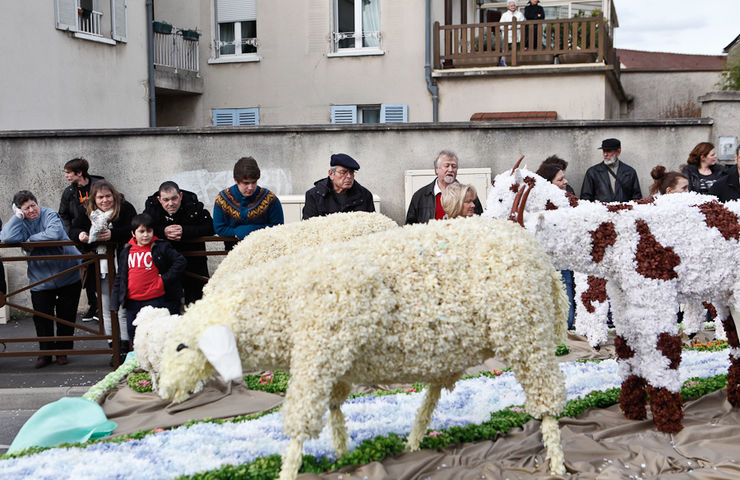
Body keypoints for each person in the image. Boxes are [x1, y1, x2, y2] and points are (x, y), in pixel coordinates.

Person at [1, 191, 82, 368]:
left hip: (68, 273)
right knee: (42, 316)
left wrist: (29, 240)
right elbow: (6, 237)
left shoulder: (49, 214)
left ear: (38, 203)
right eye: (26, 208)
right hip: (41, 278)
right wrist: (17, 217)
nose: (31, 210)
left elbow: (54, 234)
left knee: (66, 315)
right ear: (19, 210)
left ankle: (62, 351)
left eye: (33, 205)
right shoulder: (20, 221)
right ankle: (45, 353)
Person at [70, 180, 136, 360]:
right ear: (94, 198)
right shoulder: (87, 211)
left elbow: (134, 227)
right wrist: (81, 235)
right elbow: (74, 228)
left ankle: (125, 347)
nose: (105, 200)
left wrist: (113, 235)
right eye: (100, 197)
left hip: (123, 263)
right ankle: (113, 349)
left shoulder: (125, 208)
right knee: (106, 307)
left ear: (114, 196)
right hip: (99, 267)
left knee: (123, 306)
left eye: (108, 196)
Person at [112, 214, 186, 343]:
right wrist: (114, 302)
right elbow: (120, 277)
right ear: (133, 233)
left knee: (157, 335)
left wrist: (163, 280)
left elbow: (180, 261)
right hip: (133, 301)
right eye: (141, 231)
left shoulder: (161, 246)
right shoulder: (127, 251)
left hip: (156, 299)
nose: (146, 235)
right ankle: (139, 361)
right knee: (134, 335)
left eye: (149, 231)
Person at [143, 181, 214, 306]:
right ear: (159, 199)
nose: (170, 203)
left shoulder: (193, 206)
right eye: (166, 200)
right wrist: (162, 231)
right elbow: (142, 229)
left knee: (196, 305)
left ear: (180, 196)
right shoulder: (152, 209)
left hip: (194, 262)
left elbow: (210, 228)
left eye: (174, 198)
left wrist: (185, 231)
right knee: (170, 305)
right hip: (166, 265)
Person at [58, 158, 104, 323]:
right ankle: (94, 306)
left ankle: (104, 307)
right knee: (87, 274)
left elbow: (110, 204)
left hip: (101, 236)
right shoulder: (69, 192)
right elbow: (63, 214)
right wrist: (70, 233)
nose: (66, 176)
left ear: (79, 173)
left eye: (69, 173)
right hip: (80, 237)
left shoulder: (99, 184)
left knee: (104, 272)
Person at [536, 159, 575, 329]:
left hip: (563, 261)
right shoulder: (537, 205)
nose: (565, 182)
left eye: (564, 178)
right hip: (544, 263)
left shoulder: (569, 199)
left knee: (567, 315)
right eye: (560, 179)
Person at [213, 156, 284, 244]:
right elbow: (219, 228)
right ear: (236, 180)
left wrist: (249, 230)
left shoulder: (269, 198)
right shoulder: (223, 198)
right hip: (233, 251)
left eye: (254, 182)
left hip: (264, 249)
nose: (250, 187)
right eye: (246, 183)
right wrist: (236, 232)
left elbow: (278, 226)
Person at [405, 150, 483, 224]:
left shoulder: (468, 195)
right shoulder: (420, 196)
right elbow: (410, 225)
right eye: (446, 166)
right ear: (436, 169)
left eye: (454, 166)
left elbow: (479, 221)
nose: (450, 169)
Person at [302, 154, 375, 219]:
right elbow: (308, 226)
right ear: (331, 174)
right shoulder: (314, 195)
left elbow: (372, 224)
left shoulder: (365, 195)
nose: (349, 176)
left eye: (351, 172)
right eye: (343, 172)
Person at [580, 138, 642, 202]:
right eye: (604, 151)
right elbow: (585, 199)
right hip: (601, 211)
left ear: (618, 152)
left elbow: (637, 198)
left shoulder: (630, 172)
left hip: (624, 211)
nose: (605, 154)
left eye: (608, 151)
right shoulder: (592, 172)